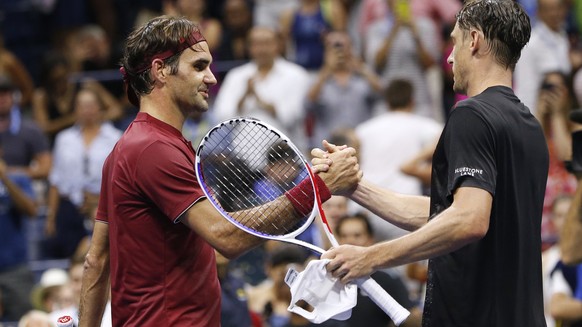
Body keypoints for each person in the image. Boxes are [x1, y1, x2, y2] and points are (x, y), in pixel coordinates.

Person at [78, 16, 361, 327]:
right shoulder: (152, 149)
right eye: (199, 66)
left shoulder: (128, 147)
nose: (211, 78)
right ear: (160, 71)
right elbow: (227, 238)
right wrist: (318, 187)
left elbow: (96, 260)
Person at [315, 1, 549, 326]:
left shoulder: (471, 114)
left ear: (475, 40)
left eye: (454, 41)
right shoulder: (530, 126)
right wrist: (355, 187)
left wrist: (370, 257)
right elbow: (446, 216)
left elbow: (468, 220)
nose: (450, 56)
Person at [43, 86, 122, 259]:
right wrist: (51, 216)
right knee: (72, 259)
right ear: (75, 109)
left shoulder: (116, 138)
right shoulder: (64, 139)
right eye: (82, 105)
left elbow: (120, 178)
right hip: (70, 207)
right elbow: (56, 179)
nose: (86, 110)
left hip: (103, 206)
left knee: (104, 257)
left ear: (99, 108)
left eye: (91, 105)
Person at [213, 26, 312, 152]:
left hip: (287, 160)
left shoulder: (296, 75)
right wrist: (244, 97)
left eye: (267, 43)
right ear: (248, 47)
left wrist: (260, 100)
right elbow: (222, 118)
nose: (262, 49)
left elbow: (292, 116)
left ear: (278, 45)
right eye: (256, 44)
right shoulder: (236, 76)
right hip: (243, 162)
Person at [334, 212, 422, 327]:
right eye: (344, 236)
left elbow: (413, 318)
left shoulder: (386, 280)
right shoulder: (323, 277)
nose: (350, 241)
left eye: (357, 235)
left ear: (370, 240)